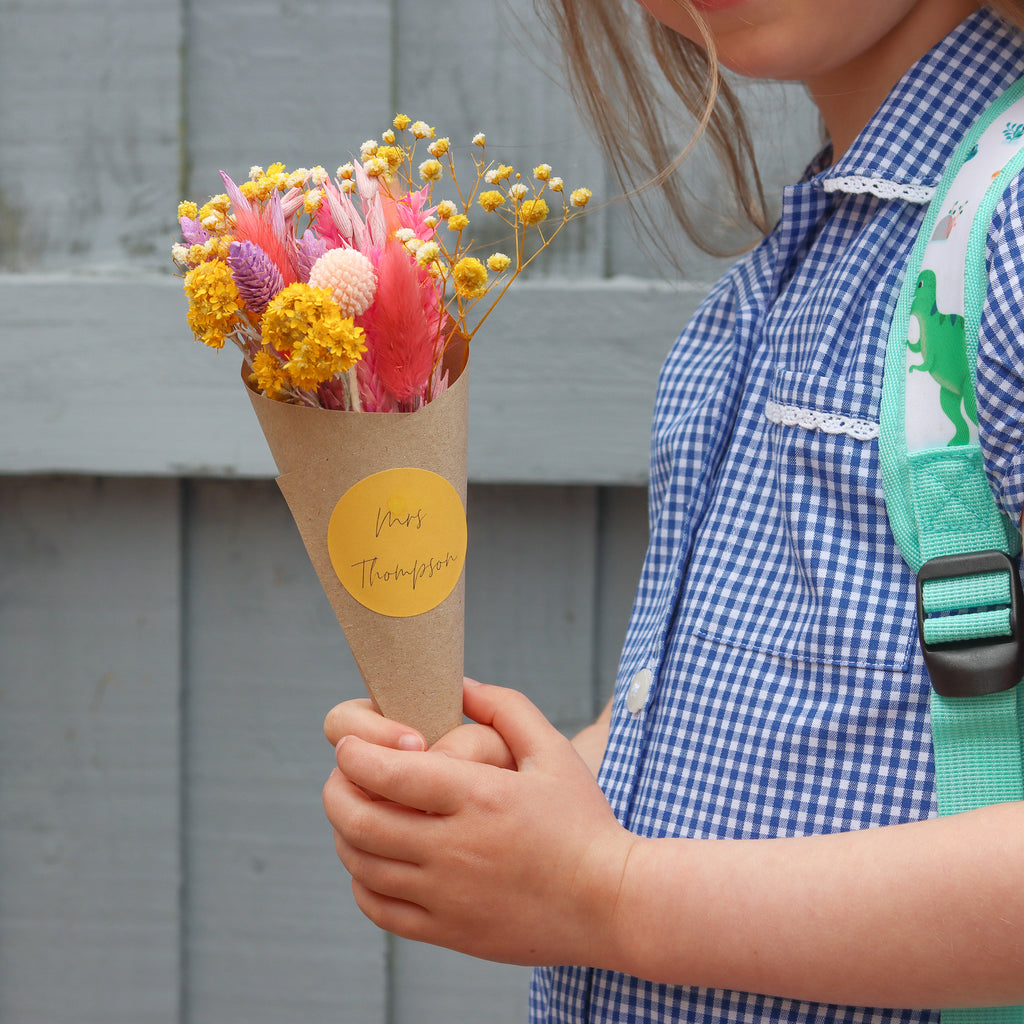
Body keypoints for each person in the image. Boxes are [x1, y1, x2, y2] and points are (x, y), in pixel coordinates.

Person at [322, 2, 1024, 1021]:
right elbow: (822, 718)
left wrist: (603, 891)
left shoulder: (1003, 243)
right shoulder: (829, 254)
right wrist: (533, 795)